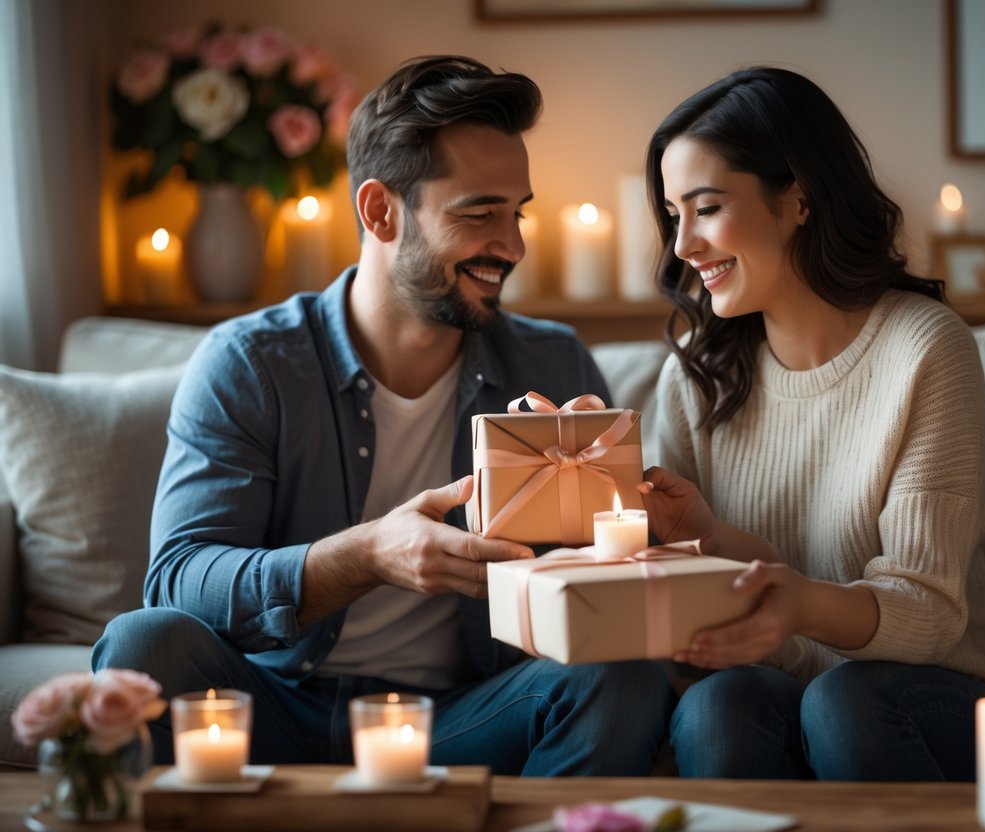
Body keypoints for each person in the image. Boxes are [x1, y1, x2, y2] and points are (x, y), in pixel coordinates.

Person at [92, 55, 671, 775]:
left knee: (621, 679)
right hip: (275, 702)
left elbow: (597, 599)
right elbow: (179, 579)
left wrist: (614, 515)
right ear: (379, 211)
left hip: (466, 713)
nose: (513, 245)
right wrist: (366, 557)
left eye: (515, 212)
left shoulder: (552, 365)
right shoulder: (252, 363)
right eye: (478, 212)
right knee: (144, 642)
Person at [638, 66, 985, 781]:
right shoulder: (694, 374)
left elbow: (929, 612)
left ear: (796, 200)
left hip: (918, 696)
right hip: (773, 683)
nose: (682, 245)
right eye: (672, 214)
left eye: (705, 208)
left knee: (841, 703)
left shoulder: (924, 348)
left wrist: (797, 603)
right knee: (718, 708)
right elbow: (674, 600)